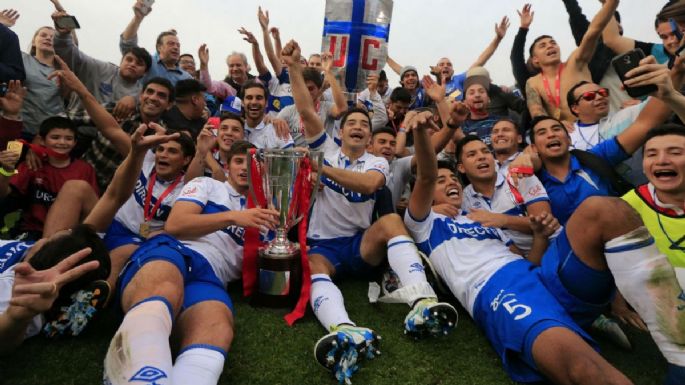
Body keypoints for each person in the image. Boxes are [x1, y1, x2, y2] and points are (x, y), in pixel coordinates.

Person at [405, 107, 685, 385]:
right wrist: (422, 131)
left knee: (605, 208)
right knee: (582, 366)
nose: (450, 182)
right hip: (496, 289)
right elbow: (426, 175)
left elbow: (528, 258)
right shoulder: (424, 223)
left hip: (541, 273)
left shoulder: (484, 211)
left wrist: (536, 234)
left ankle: (679, 356)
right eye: (442, 181)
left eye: (452, 178)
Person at [284, 39, 457, 384]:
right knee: (312, 264)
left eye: (365, 123)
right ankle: (344, 328)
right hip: (323, 246)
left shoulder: (377, 160)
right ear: (341, 129)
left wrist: (322, 171)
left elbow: (368, 186)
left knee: (391, 221)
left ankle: (422, 302)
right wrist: (292, 66)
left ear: (369, 133)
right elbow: (305, 110)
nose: (359, 126)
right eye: (352, 122)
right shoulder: (325, 148)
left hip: (361, 245)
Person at [102, 140, 280, 385]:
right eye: (240, 161)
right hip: (177, 250)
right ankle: (138, 376)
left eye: (254, 164)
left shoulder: (267, 213)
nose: (245, 168)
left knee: (217, 327)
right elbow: (176, 225)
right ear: (226, 166)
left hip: (212, 276)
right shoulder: (206, 185)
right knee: (164, 286)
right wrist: (233, 217)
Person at [0, 123, 179, 354]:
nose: (65, 230)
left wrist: (16, 317)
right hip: (48, 260)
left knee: (126, 248)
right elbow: (114, 196)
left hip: (45, 280)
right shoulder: (35, 258)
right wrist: (137, 153)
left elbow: (7, 339)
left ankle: (92, 296)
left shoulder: (24, 297)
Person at [0, 116, 98, 239]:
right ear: (42, 140)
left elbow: (91, 207)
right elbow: (4, 194)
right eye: (55, 137)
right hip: (32, 231)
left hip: (67, 235)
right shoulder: (32, 164)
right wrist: (5, 170)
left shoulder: (85, 169)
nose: (62, 142)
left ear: (75, 142)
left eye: (68, 138)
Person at [458, 136, 555, 253]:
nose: (481, 157)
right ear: (462, 168)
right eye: (472, 154)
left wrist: (502, 220)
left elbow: (545, 224)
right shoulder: (462, 199)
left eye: (485, 151)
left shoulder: (518, 176)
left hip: (554, 249)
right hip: (514, 264)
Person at [51, 9, 151, 124]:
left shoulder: (143, 94)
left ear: (145, 72)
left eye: (139, 63)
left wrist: (134, 100)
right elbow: (72, 56)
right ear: (121, 61)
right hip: (75, 124)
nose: (132, 64)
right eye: (129, 59)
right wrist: (63, 35)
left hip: (108, 137)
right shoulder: (101, 68)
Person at [525, 0, 618, 122]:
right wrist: (558, 124)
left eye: (553, 43)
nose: (550, 46)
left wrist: (611, 3)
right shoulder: (533, 82)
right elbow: (536, 112)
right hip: (567, 135)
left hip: (600, 125)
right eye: (543, 45)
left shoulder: (575, 62)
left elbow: (593, 32)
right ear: (535, 60)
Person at [566, 80, 649, 185]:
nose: (600, 97)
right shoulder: (566, 135)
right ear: (575, 108)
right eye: (589, 96)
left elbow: (659, 103)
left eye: (602, 92)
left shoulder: (625, 116)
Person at [119, 0, 192, 85]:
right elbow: (127, 45)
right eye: (170, 44)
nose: (176, 47)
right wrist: (137, 19)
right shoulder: (148, 62)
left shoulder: (186, 78)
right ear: (159, 47)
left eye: (178, 45)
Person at [276, 63, 346, 147]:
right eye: (303, 88)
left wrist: (328, 73)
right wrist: (272, 120)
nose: (306, 93)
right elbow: (274, 137)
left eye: (311, 88)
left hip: (322, 158)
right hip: (298, 157)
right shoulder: (288, 111)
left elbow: (342, 109)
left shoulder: (326, 107)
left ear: (319, 90)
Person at [241, 80, 293, 149]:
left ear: (266, 103)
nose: (254, 102)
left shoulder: (278, 128)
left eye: (259, 98)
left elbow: (290, 158)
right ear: (242, 102)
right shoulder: (236, 129)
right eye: (249, 98)